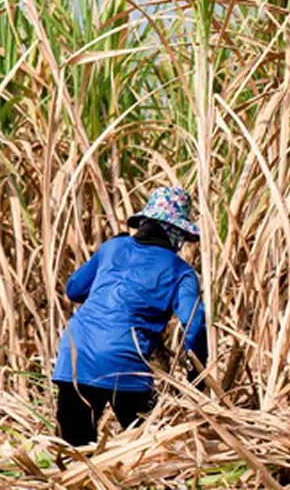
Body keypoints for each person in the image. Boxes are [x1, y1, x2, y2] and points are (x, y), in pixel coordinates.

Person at [51, 187, 209, 447]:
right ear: (178, 233)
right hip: (125, 361)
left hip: (76, 354)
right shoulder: (181, 271)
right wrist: (198, 370)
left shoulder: (112, 248)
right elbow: (195, 322)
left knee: (75, 450)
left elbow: (74, 289)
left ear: (144, 222)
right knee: (150, 446)